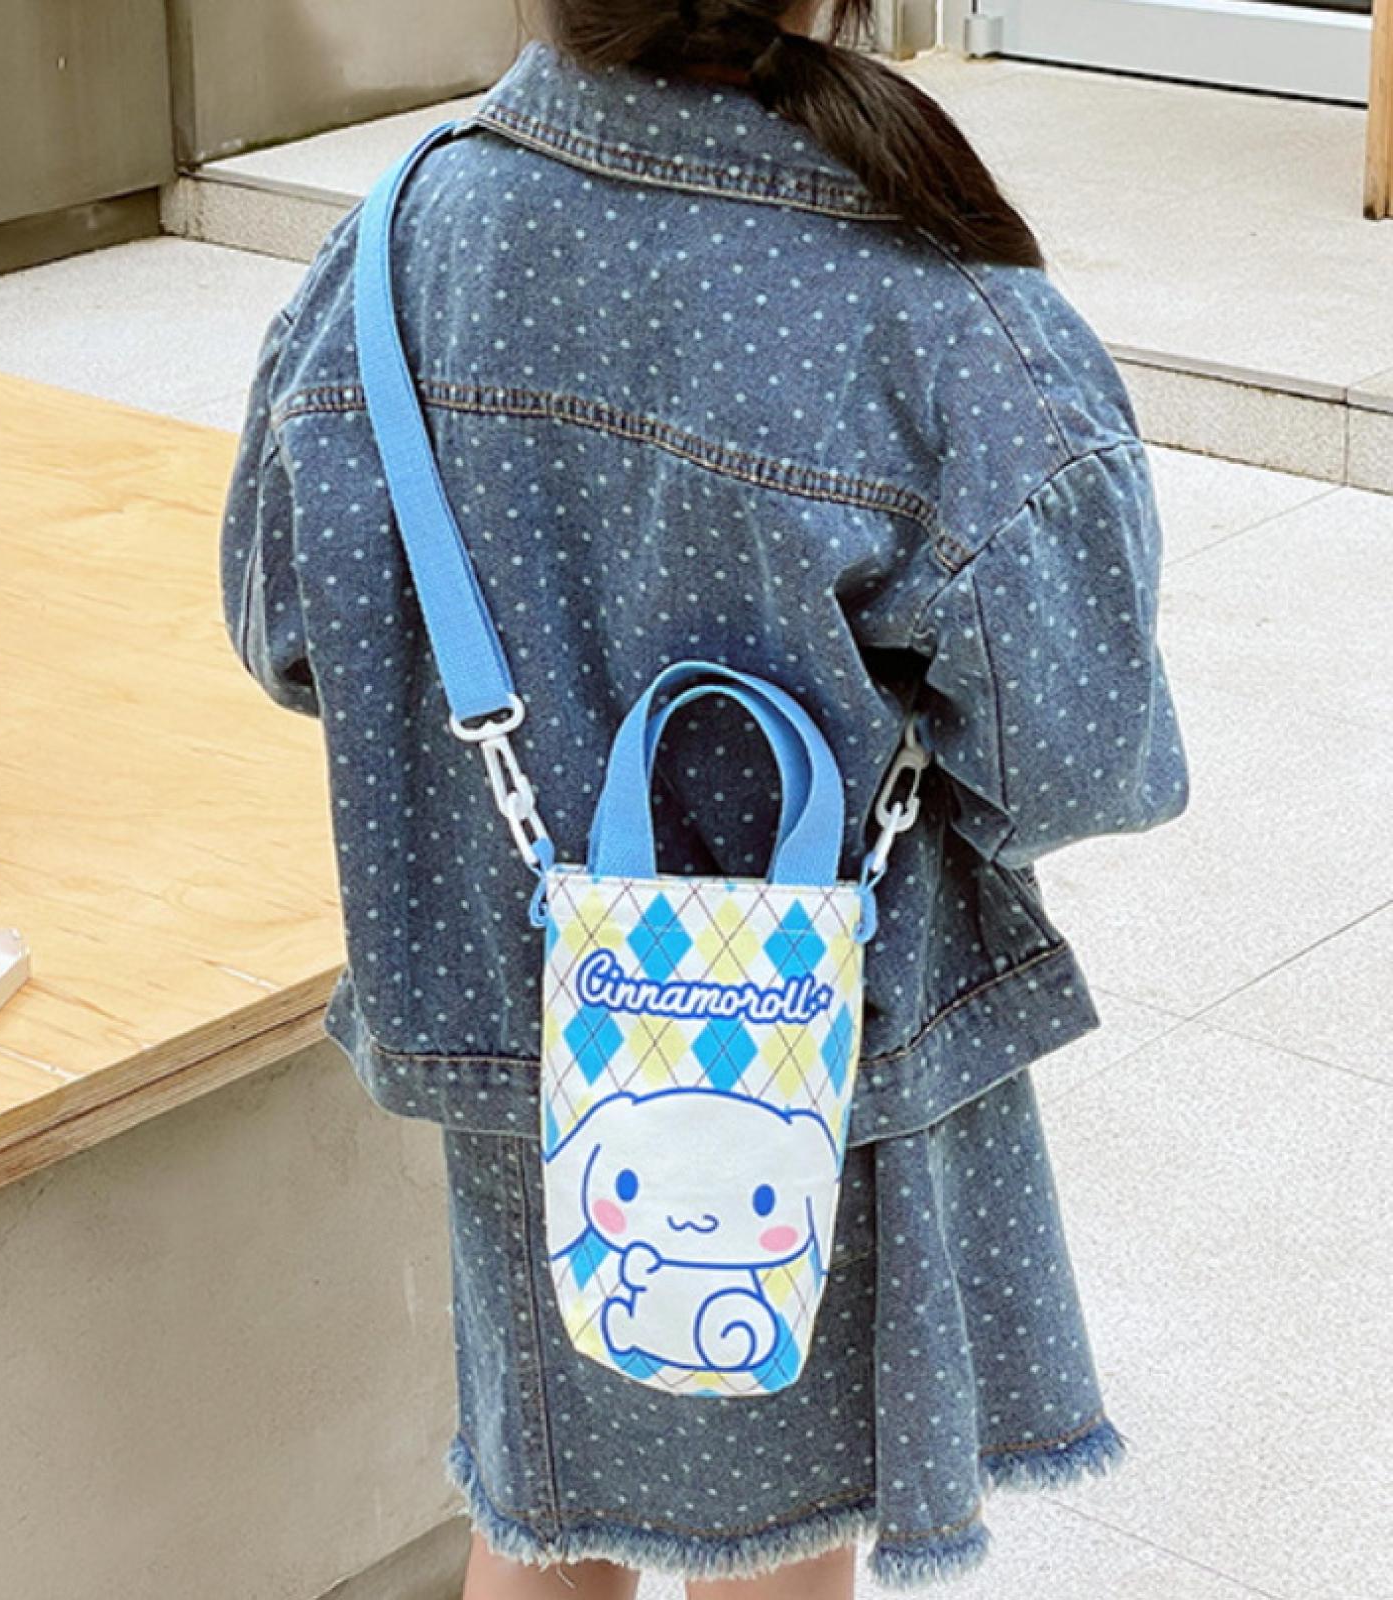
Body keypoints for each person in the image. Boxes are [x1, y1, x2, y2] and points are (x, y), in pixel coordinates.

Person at [219, 1, 1190, 1594]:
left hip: (525, 1028)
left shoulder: (399, 246)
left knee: (541, 1512)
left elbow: (290, 632)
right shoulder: (937, 303)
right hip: (818, 1048)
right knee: (784, 1542)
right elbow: (1083, 757)